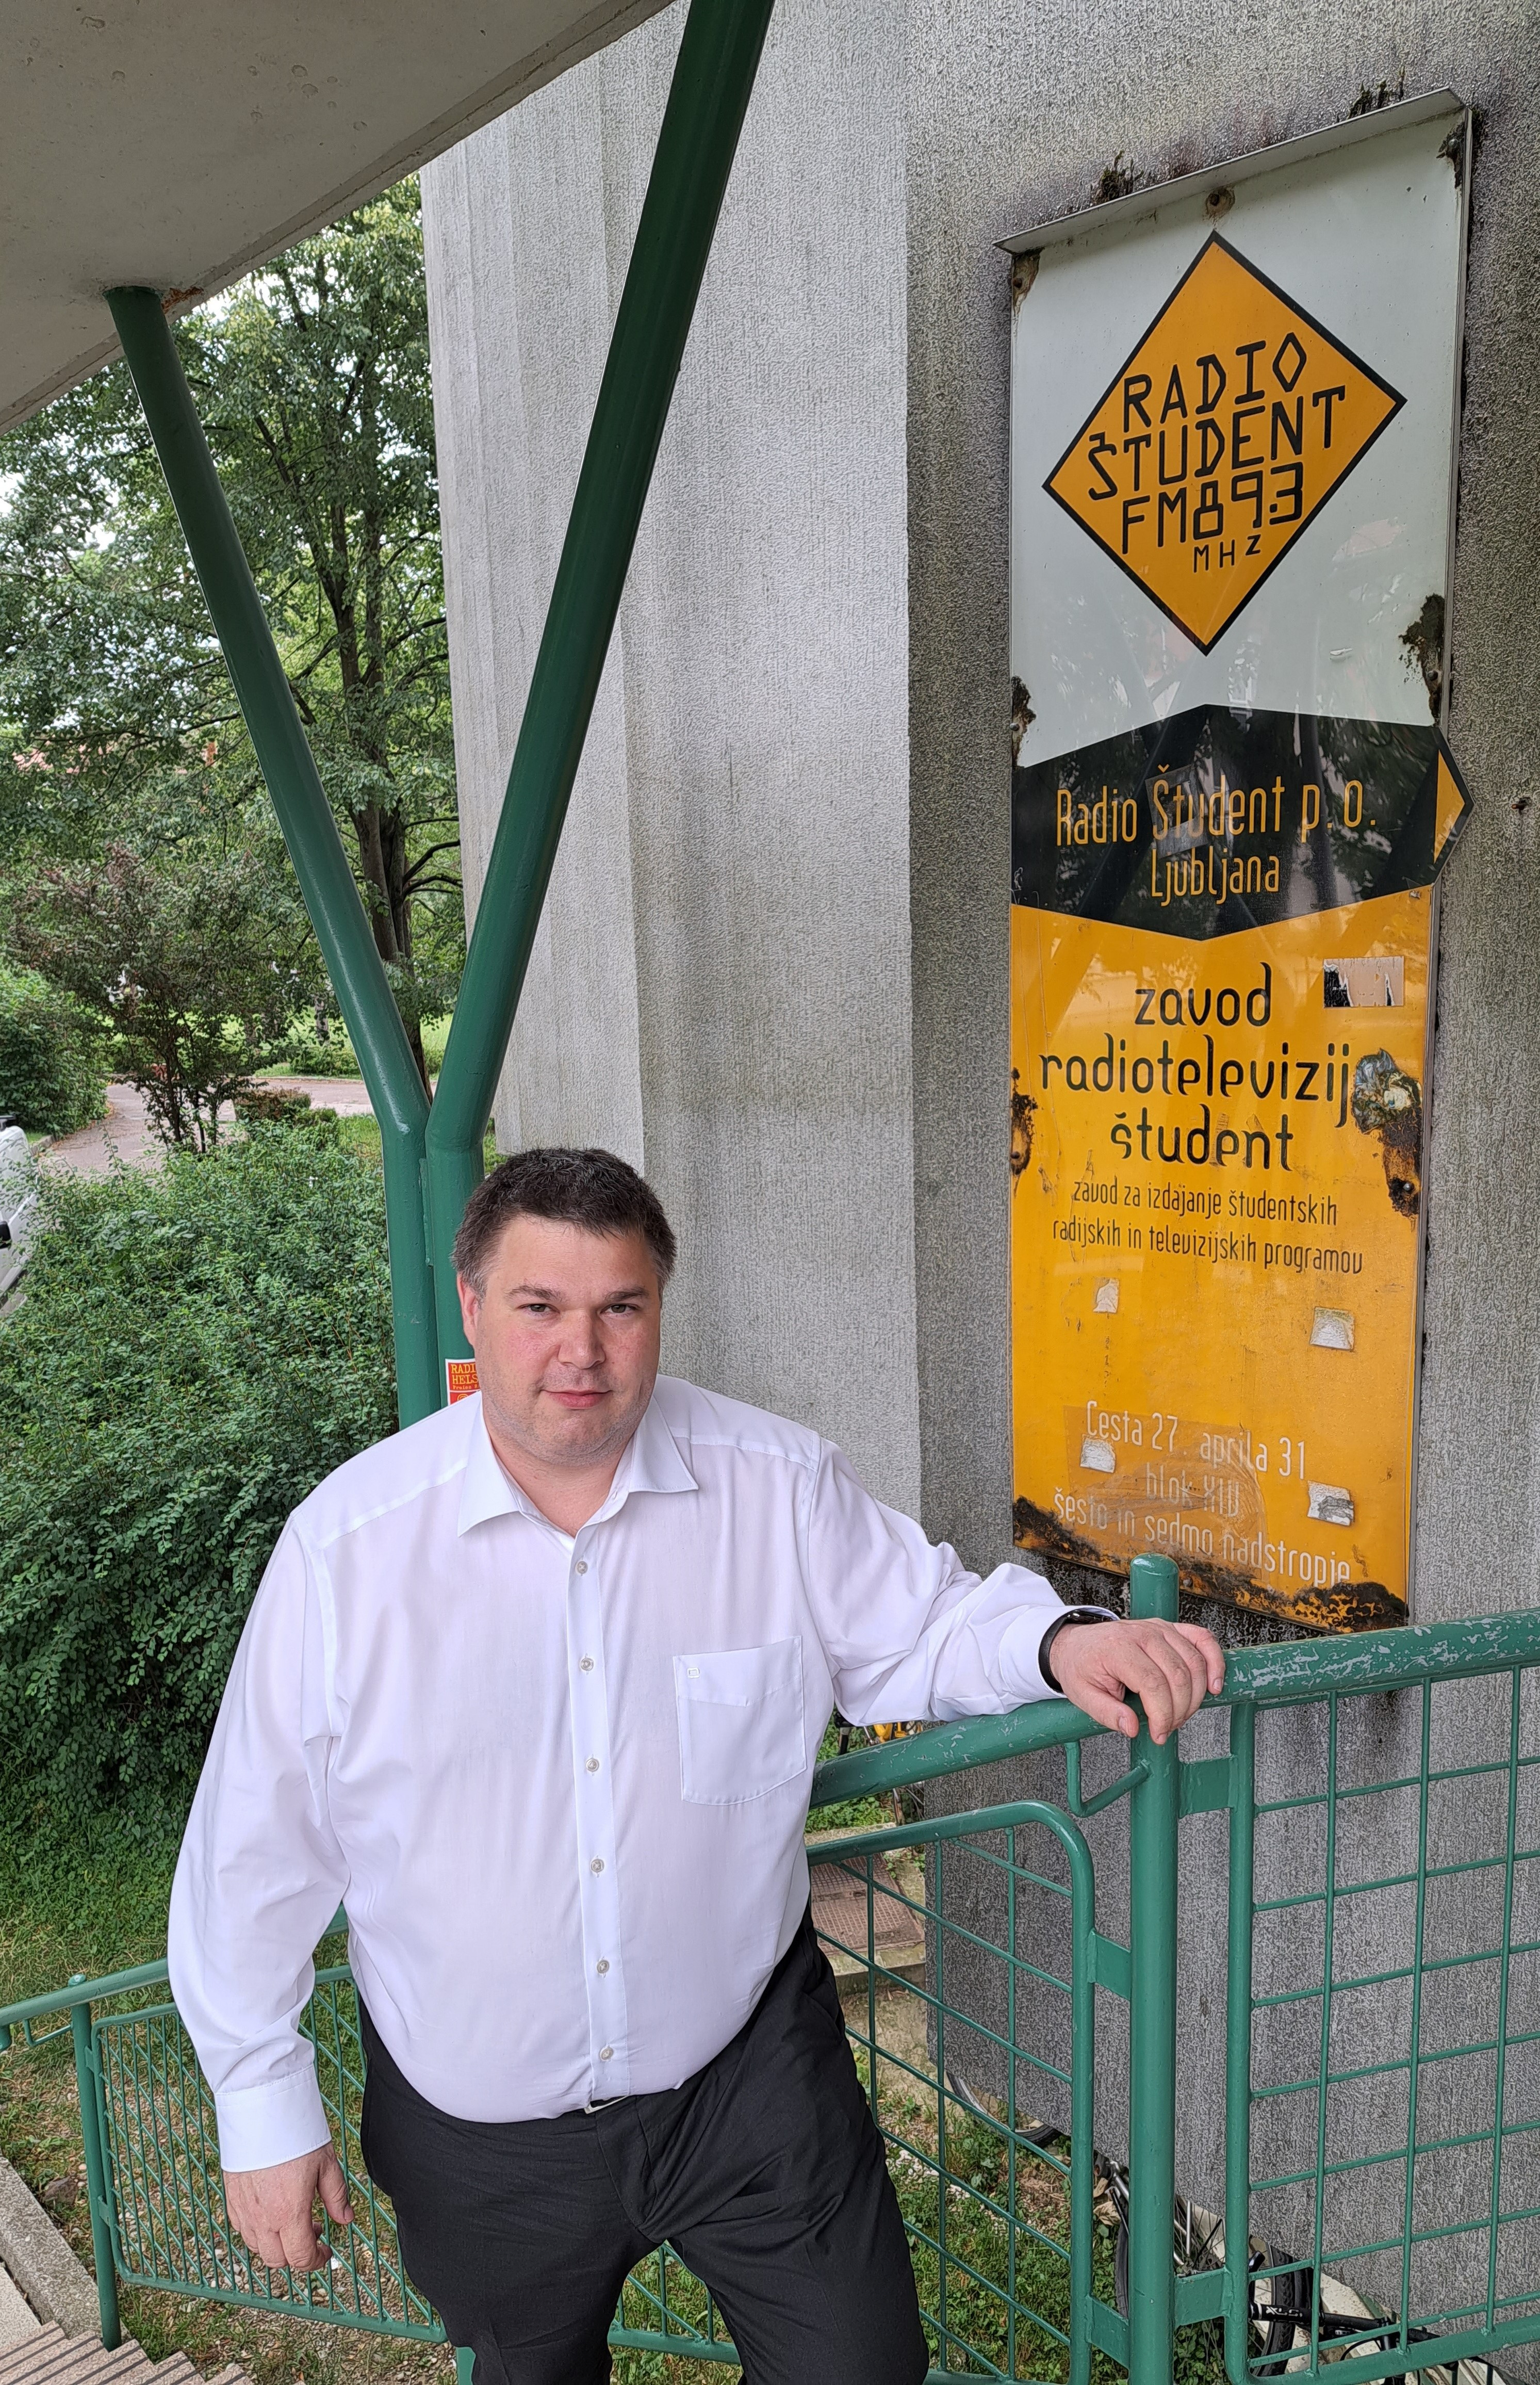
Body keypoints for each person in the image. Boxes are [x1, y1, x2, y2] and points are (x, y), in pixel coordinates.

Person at [169, 1147, 1223, 2385]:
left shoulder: (774, 1482)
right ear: (471, 1304)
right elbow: (254, 1848)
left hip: (747, 2078)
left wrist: (1057, 1642)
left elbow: (921, 1621)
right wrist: (262, 2103)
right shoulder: (347, 1551)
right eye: (540, 1305)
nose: (581, 1349)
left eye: (619, 1306)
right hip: (483, 2131)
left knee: (860, 2370)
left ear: (659, 1304)